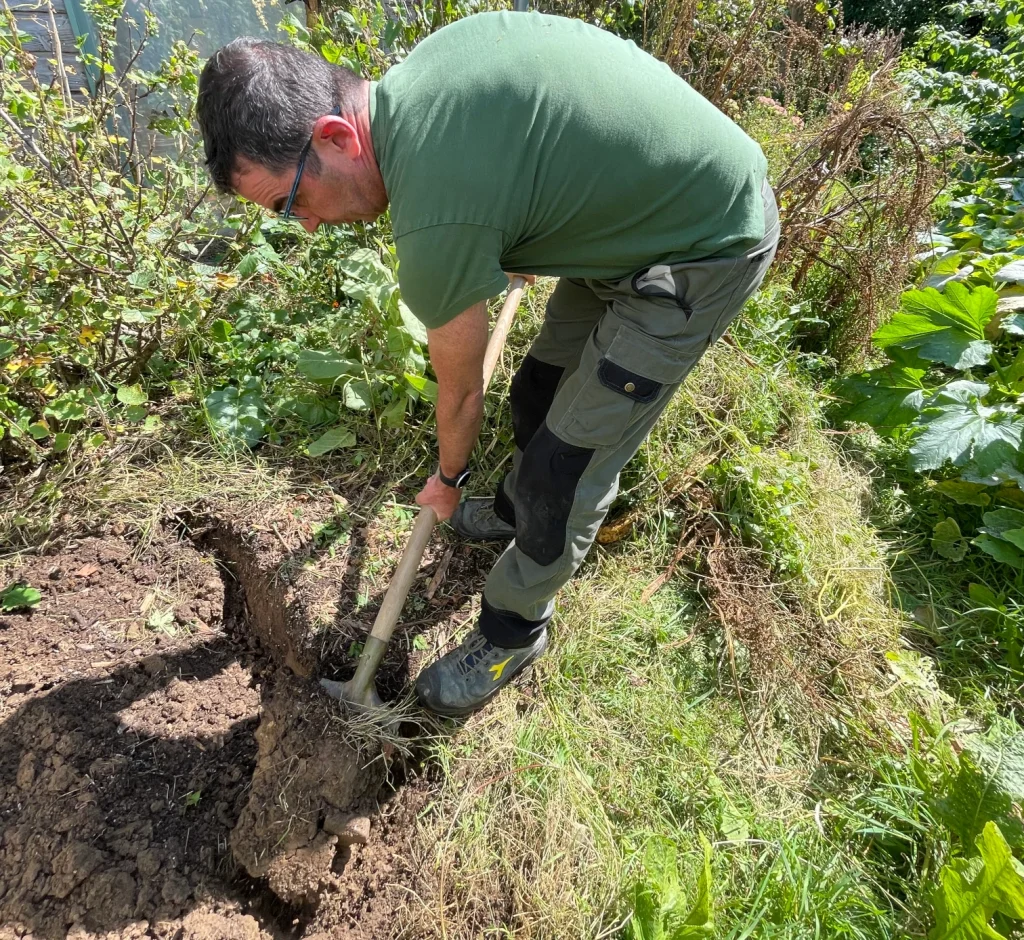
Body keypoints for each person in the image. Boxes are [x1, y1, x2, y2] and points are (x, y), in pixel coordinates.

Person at [196, 11, 778, 717]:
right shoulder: (421, 82)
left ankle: (513, 631)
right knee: (540, 390)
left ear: (336, 137)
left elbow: (460, 397)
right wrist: (521, 217)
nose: (308, 225)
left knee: (565, 465)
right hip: (627, 222)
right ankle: (509, 511)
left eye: (292, 203)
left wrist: (446, 479)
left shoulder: (436, 214)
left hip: (702, 244)